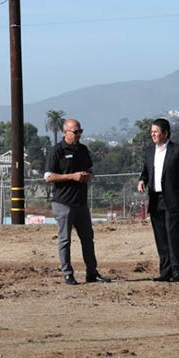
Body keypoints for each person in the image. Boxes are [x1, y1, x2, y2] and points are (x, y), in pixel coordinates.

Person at [44, 118, 109, 285]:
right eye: (75, 132)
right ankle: (67, 273)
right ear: (66, 132)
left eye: (80, 131)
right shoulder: (56, 151)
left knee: (87, 238)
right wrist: (71, 177)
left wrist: (88, 176)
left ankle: (92, 273)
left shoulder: (83, 150)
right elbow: (48, 176)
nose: (78, 135)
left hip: (81, 203)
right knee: (65, 239)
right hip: (63, 203)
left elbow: (92, 171)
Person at [137, 118, 179, 282]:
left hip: (172, 198)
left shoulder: (178, 150)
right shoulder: (150, 151)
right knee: (160, 236)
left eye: (156, 132)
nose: (153, 135)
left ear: (165, 133)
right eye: (151, 132)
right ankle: (165, 272)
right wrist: (142, 180)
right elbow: (146, 171)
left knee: (173, 235)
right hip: (155, 199)